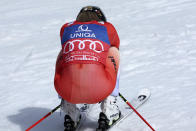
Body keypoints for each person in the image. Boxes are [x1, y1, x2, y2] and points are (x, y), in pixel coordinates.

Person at [54, 6, 120, 131]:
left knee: (65, 54)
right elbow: (115, 45)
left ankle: (70, 111)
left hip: (66, 90)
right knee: (113, 51)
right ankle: (109, 107)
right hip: (101, 88)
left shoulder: (65, 27)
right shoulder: (107, 27)